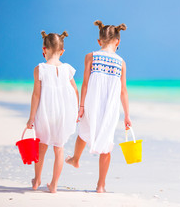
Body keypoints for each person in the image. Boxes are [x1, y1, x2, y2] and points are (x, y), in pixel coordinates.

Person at [66, 20, 131, 193]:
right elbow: (123, 91)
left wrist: (81, 105)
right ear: (118, 41)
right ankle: (101, 185)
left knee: (84, 131)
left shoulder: (91, 56)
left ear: (99, 41)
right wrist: (127, 115)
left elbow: (85, 84)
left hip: (91, 102)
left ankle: (75, 159)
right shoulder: (121, 62)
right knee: (107, 142)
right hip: (111, 108)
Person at [26, 31, 79, 193]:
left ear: (44, 49)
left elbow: (36, 95)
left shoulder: (40, 69)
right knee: (59, 149)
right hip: (63, 114)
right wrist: (76, 111)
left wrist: (31, 118)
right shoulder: (67, 69)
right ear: (62, 51)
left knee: (41, 147)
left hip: (46, 113)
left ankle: (36, 181)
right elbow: (75, 91)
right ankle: (54, 185)